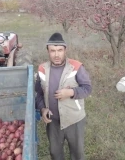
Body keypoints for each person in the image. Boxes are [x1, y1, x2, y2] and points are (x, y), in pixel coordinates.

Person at [35, 32, 92, 160]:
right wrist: (43, 109)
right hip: (53, 121)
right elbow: (38, 94)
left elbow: (87, 88)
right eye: (52, 51)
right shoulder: (42, 69)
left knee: (77, 154)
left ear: (65, 50)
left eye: (60, 50)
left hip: (74, 120)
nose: (56, 54)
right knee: (55, 153)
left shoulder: (76, 67)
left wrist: (71, 92)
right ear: (48, 51)